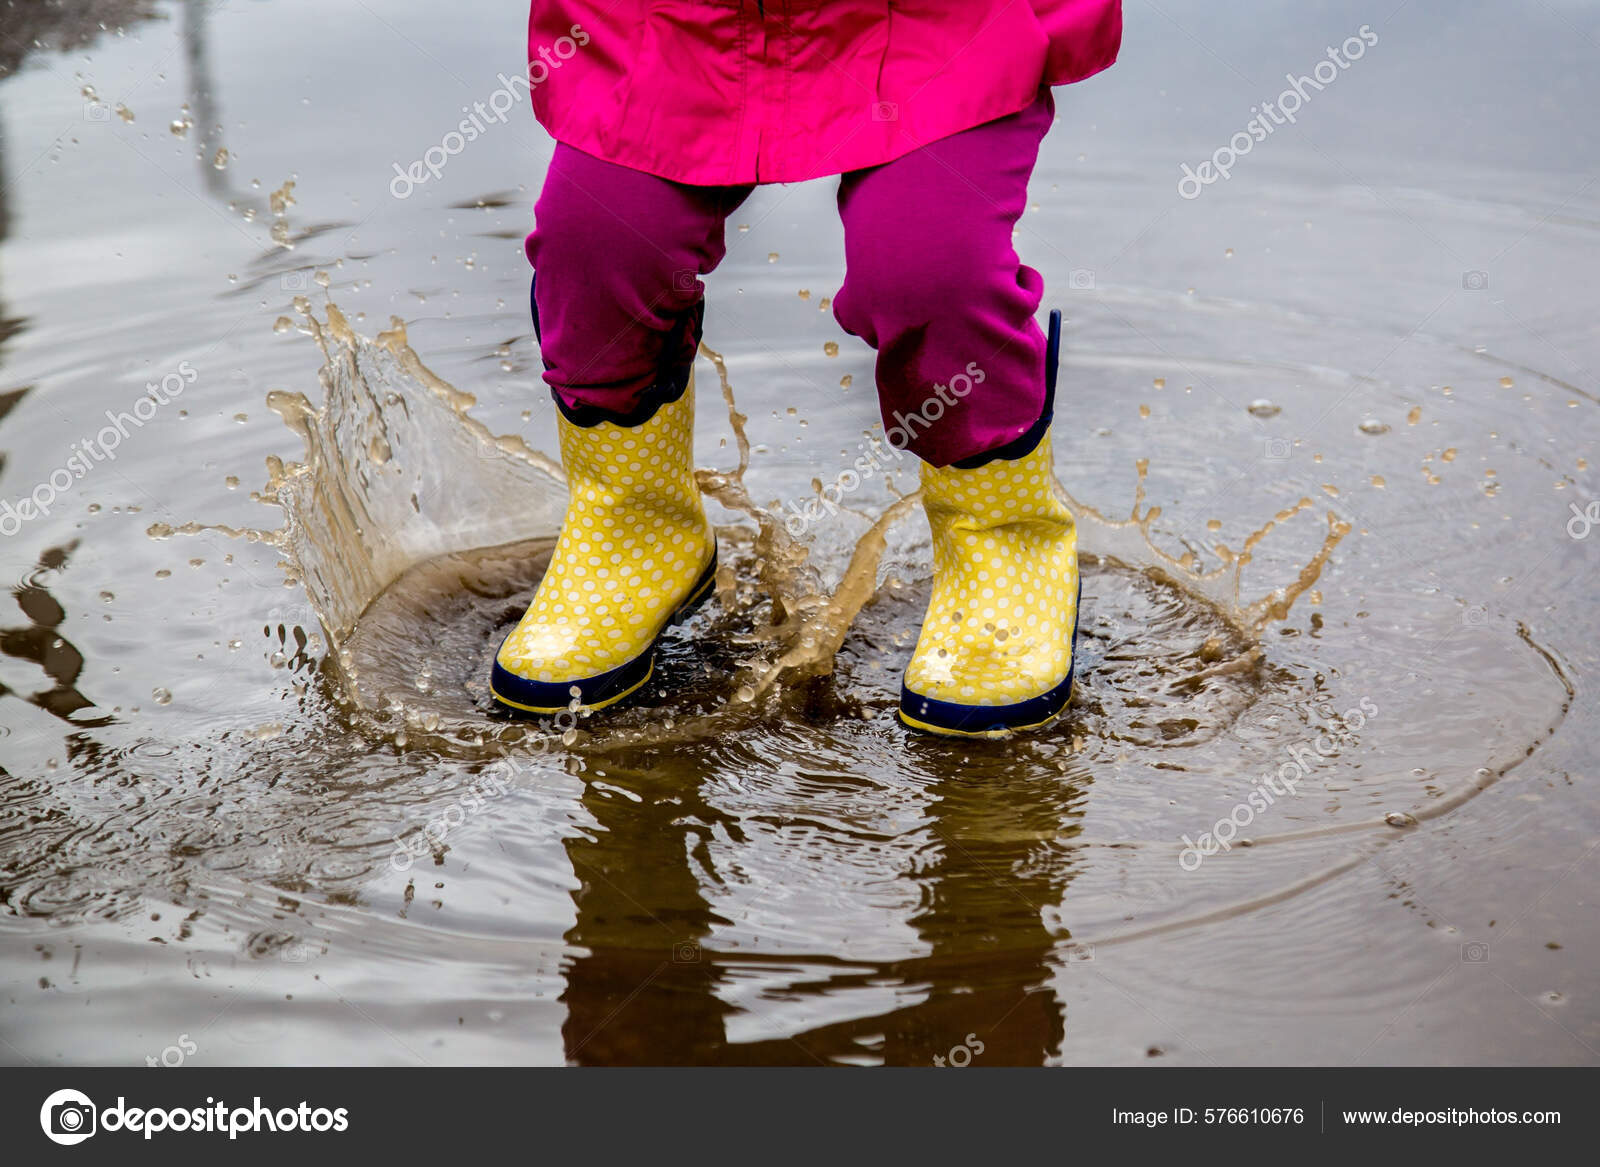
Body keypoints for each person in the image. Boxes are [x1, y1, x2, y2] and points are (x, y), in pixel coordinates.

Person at [490, 0, 1122, 737]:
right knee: (597, 241)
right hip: (676, 21)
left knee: (931, 268)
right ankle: (634, 523)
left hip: (932, 21)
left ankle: (1002, 539)